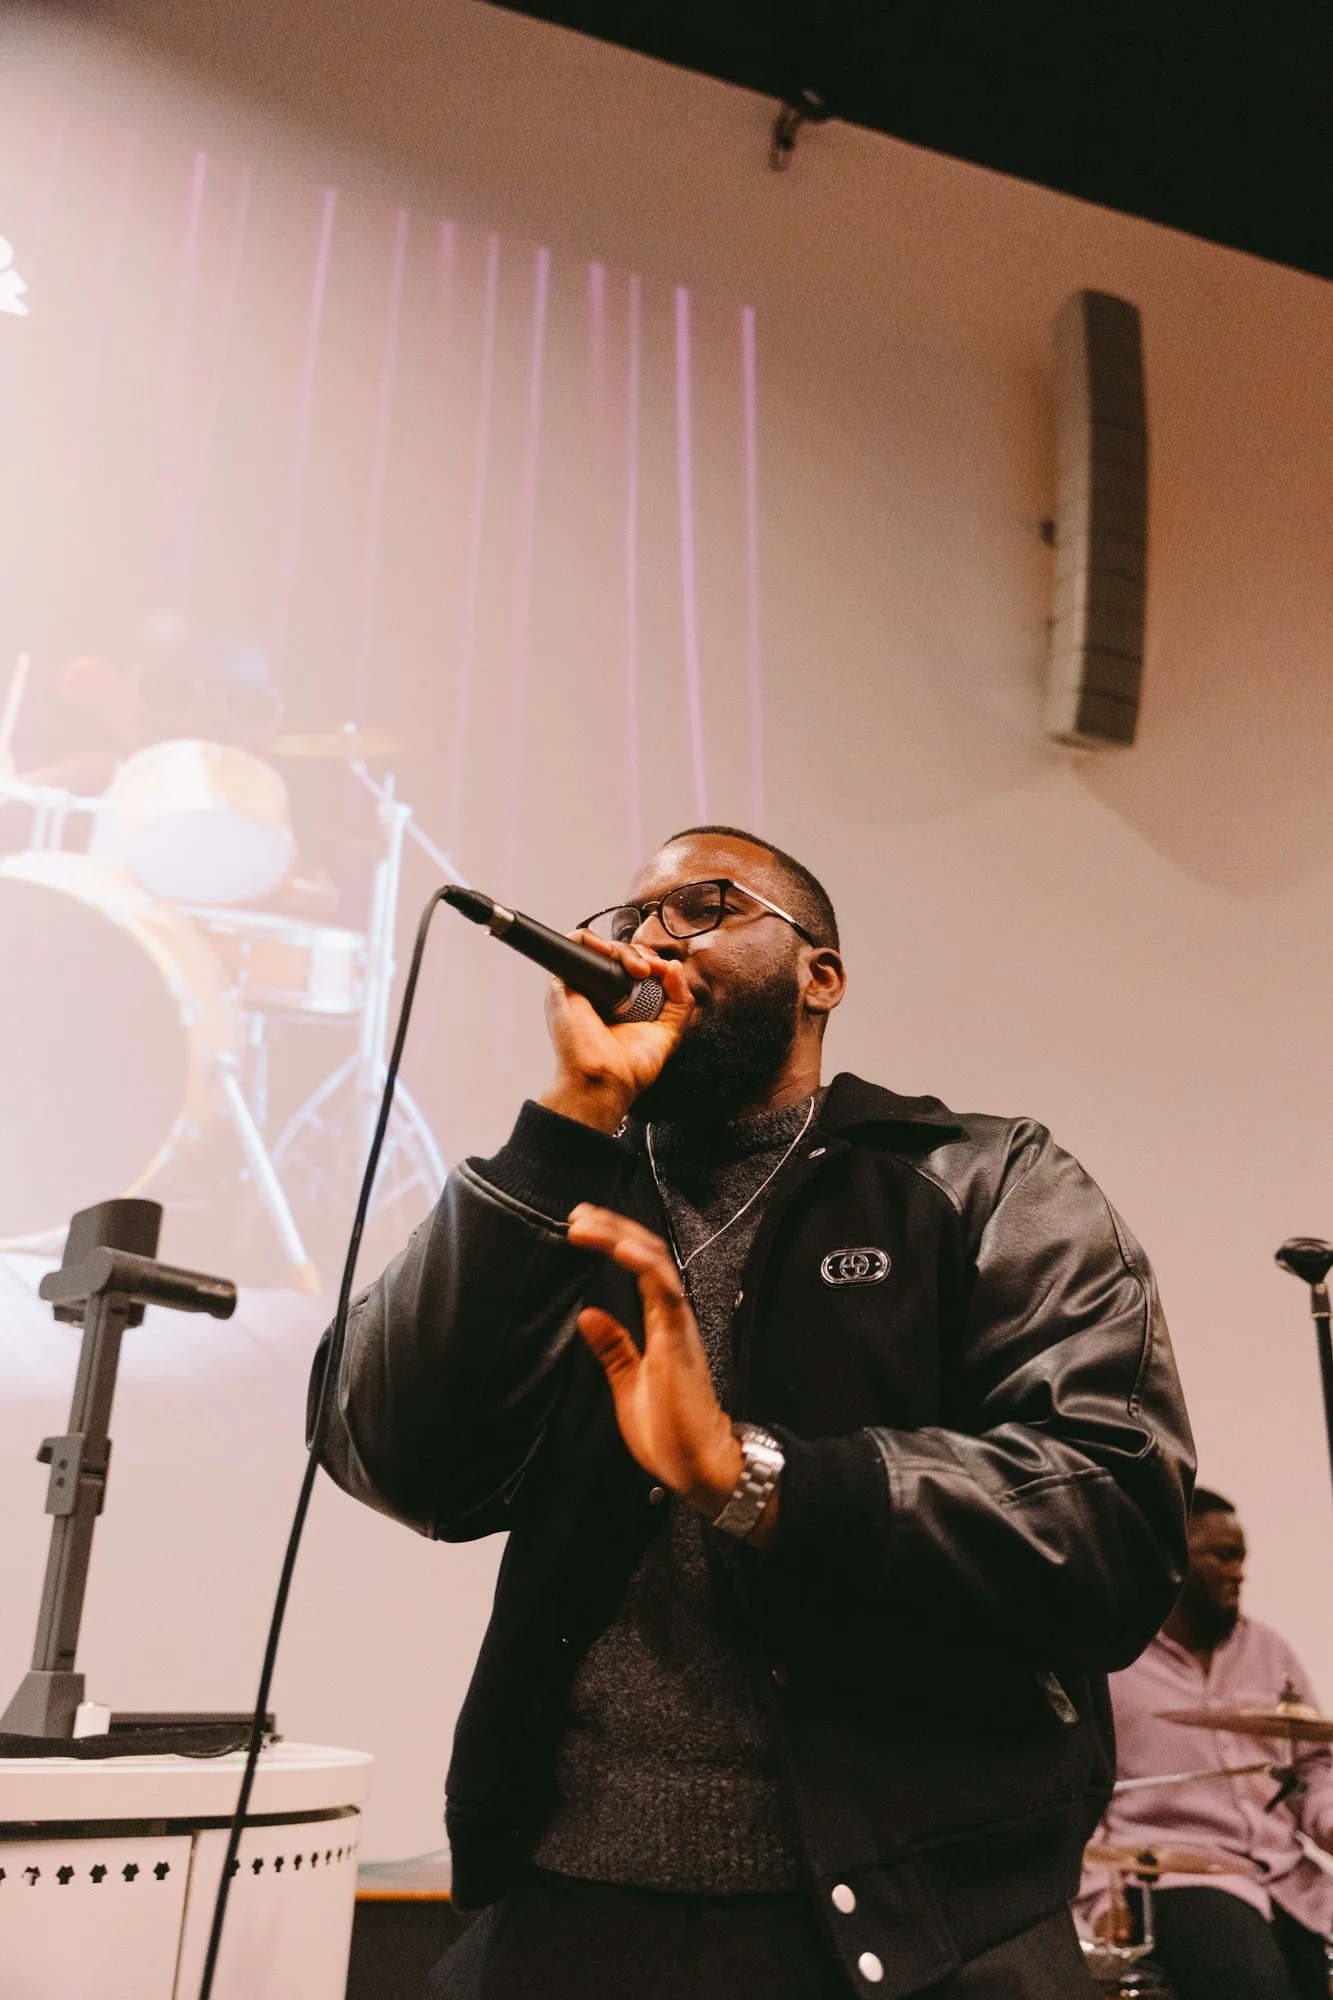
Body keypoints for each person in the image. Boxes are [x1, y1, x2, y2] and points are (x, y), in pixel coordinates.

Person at [314, 823, 1194, 2000]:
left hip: (920, 1914)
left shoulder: (984, 1180)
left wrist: (754, 1477)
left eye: (701, 906)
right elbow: (387, 1450)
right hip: (568, 1898)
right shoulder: (561, 1191)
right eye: (629, 919)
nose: (644, 940)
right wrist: (566, 1116)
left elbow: (1108, 1523)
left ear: (818, 973)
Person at [1083, 1488, 1333, 2000]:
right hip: (1177, 1876)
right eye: (1223, 1556)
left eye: (1241, 1556)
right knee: (1251, 1983)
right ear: (1170, 1559)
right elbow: (1080, 1794)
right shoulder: (1110, 1664)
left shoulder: (1268, 1649)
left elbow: (1313, 1765)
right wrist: (1096, 1898)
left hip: (1288, 1870)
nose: (1239, 1572)